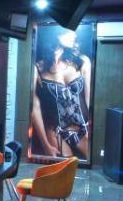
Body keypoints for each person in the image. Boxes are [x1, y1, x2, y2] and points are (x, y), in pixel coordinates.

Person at [30, 27, 92, 160]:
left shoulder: (82, 62)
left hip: (82, 129)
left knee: (94, 165)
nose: (74, 35)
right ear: (56, 35)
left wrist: (91, 126)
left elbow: (89, 100)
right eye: (70, 31)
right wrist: (45, 144)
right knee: (65, 170)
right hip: (55, 131)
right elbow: (35, 108)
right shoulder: (38, 69)